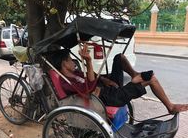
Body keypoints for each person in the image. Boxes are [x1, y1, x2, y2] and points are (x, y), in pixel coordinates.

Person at [51, 44, 188, 114]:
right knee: (151, 78)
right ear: (63, 64)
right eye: (70, 60)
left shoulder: (75, 73)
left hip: (107, 89)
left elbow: (91, 79)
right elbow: (89, 90)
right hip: (108, 98)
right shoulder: (67, 82)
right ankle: (170, 107)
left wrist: (104, 80)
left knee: (119, 57)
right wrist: (89, 61)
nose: (73, 62)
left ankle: (134, 75)